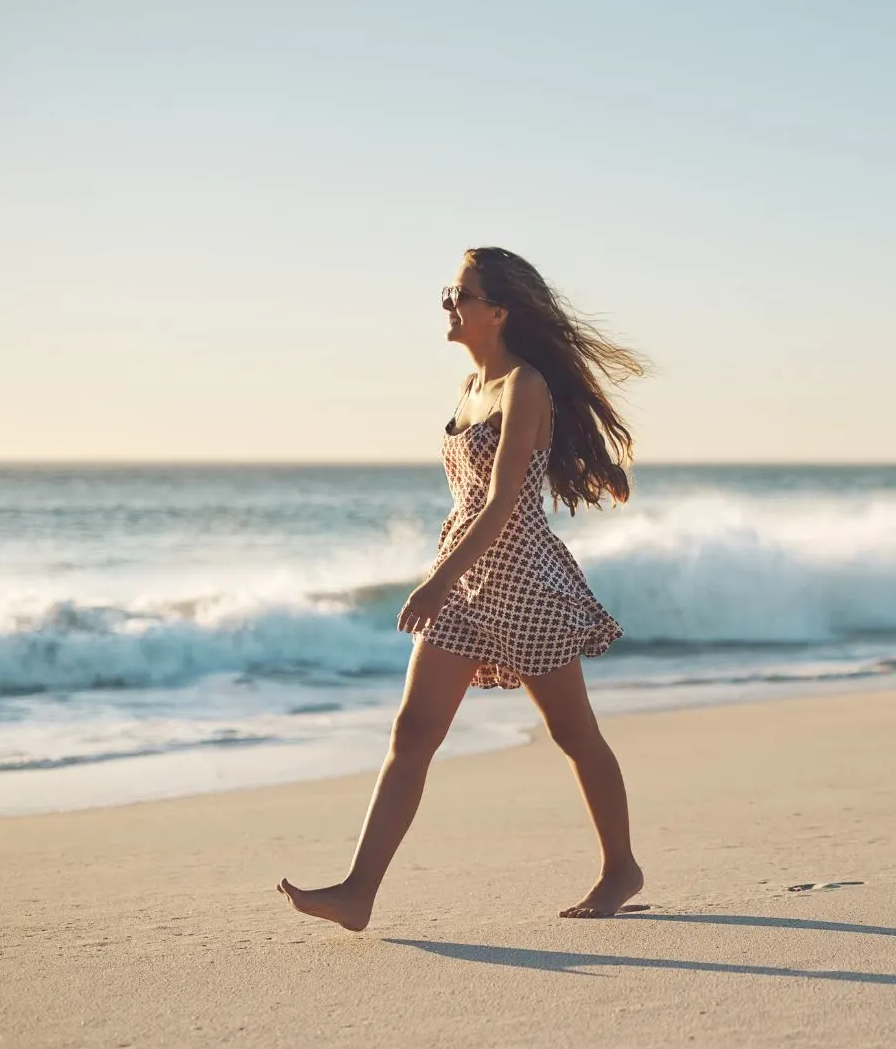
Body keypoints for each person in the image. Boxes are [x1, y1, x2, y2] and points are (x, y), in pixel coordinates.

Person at [278, 246, 649, 929]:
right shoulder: (471, 389)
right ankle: (359, 891)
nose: (449, 304)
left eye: (461, 294)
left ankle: (621, 866)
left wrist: (432, 583)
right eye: (448, 292)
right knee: (413, 729)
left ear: (499, 311)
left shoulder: (524, 386)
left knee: (574, 734)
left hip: (522, 581)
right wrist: (448, 579)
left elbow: (506, 500)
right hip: (466, 579)